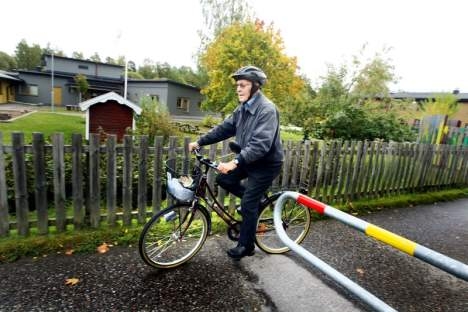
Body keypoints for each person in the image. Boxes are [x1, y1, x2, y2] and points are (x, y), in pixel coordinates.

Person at [188, 65, 284, 260]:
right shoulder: (242, 109)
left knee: (247, 203)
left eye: (243, 84)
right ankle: (255, 204)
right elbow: (224, 128)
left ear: (255, 86)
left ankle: (246, 246)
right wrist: (200, 141)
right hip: (248, 159)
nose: (238, 89)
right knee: (224, 181)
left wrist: (235, 162)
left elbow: (261, 145)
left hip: (266, 163)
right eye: (237, 85)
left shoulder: (266, 109)